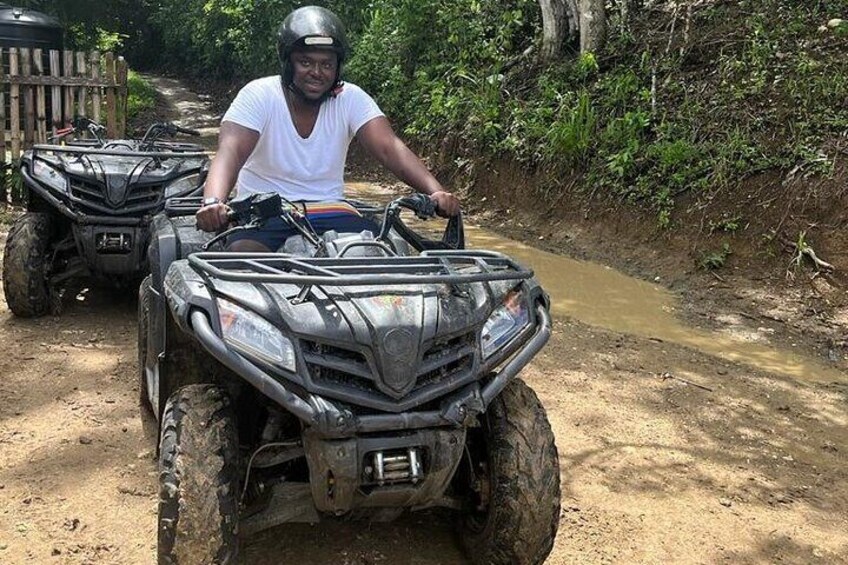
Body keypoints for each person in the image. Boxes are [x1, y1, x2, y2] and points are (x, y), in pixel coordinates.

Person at [195, 5, 460, 251]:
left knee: (385, 255)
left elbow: (390, 148)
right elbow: (230, 152)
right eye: (306, 62)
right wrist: (213, 203)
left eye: (326, 64)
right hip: (264, 215)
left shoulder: (350, 98)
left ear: (337, 68)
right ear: (288, 63)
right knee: (241, 264)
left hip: (333, 212)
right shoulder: (259, 95)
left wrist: (435, 192)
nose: (317, 72)